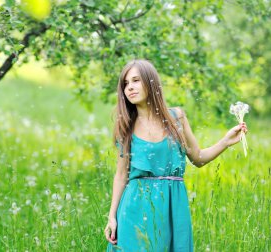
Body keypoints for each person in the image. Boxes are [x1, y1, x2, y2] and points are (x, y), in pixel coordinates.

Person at [104, 59, 248, 252]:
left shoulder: (176, 118)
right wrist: (112, 217)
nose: (129, 87)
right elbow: (121, 175)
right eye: (126, 84)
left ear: (150, 81)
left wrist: (225, 142)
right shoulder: (126, 128)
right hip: (134, 209)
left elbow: (198, 158)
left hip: (173, 208)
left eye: (136, 80)